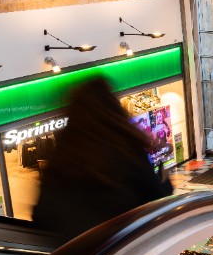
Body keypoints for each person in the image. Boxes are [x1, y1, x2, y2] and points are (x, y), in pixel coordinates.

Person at [32, 77, 173, 243]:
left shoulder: (61, 158)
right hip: (124, 247)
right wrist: (164, 179)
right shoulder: (125, 149)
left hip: (76, 253)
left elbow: (41, 214)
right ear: (111, 106)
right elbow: (156, 198)